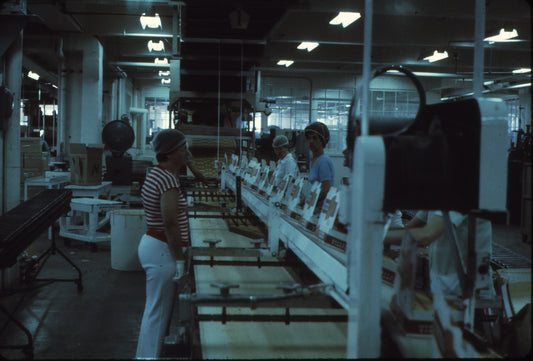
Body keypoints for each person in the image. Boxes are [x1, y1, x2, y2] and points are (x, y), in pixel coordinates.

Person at [136, 129, 190, 358]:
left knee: (158, 312)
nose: (187, 152)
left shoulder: (157, 173)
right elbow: (169, 223)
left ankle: (149, 355)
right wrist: (179, 259)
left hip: (155, 246)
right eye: (183, 149)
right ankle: (146, 357)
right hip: (162, 251)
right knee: (157, 313)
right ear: (169, 153)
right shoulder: (168, 179)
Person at [383, 210, 493, 297]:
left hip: (468, 291)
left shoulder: (461, 193)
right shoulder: (438, 196)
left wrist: (377, 236)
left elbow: (425, 236)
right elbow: (410, 229)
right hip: (445, 285)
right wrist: (373, 230)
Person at [302, 122, 334, 213]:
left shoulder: (324, 161)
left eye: (314, 138)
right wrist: (303, 201)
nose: (311, 141)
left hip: (320, 210)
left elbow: (326, 189)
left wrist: (309, 203)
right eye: (309, 138)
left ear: (322, 140)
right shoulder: (314, 160)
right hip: (312, 207)